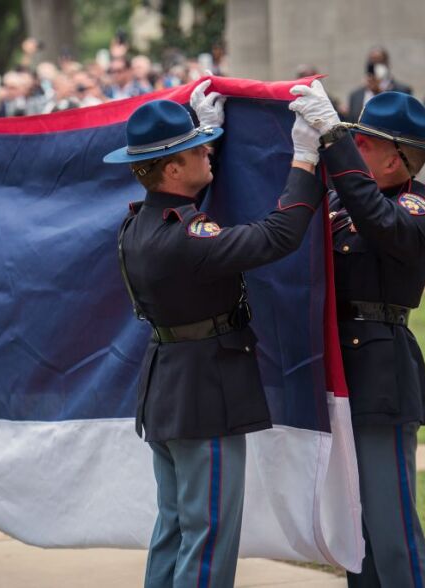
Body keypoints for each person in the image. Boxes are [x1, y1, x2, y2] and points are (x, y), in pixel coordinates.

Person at [103, 81, 325, 587]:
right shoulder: (185, 238)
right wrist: (305, 160)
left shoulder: (141, 224)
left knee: (175, 527)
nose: (206, 150)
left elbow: (189, 200)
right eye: (193, 149)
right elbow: (279, 235)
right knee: (210, 535)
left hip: (169, 389)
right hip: (205, 394)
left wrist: (208, 132)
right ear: (172, 168)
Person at [290, 81, 425, 587]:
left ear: (397, 160)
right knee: (356, 538)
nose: (352, 149)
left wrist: (333, 138)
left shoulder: (414, 211)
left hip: (381, 378)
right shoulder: (342, 202)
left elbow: (377, 221)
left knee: (392, 532)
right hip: (338, 379)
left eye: (364, 143)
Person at [344, 46, 411, 123]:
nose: (375, 66)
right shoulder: (355, 95)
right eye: (372, 62)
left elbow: (401, 120)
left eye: (379, 61)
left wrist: (378, 93)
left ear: (387, 64)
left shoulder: (402, 91)